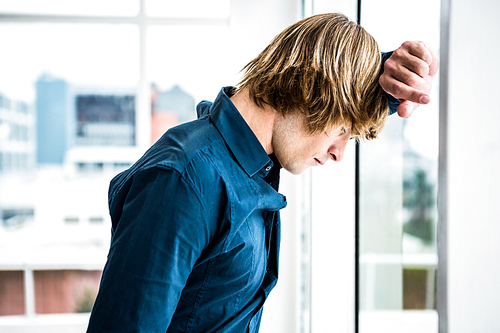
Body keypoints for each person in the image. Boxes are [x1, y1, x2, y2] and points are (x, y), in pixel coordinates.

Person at [87, 13, 438, 332]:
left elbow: (337, 83)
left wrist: (395, 70)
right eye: (342, 128)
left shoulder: (251, 163)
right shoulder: (183, 180)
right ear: (309, 87)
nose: (339, 152)